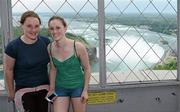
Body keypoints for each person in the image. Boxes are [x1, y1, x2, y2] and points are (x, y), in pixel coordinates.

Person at [4, 11, 50, 112]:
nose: (33, 30)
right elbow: (8, 70)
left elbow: (55, 66)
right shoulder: (13, 47)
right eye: (29, 26)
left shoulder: (46, 42)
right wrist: (11, 92)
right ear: (22, 25)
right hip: (24, 90)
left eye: (36, 26)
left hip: (45, 88)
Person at [47, 16, 91, 112]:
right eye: (52, 28)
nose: (54, 32)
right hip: (60, 87)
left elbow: (87, 69)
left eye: (58, 28)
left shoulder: (78, 47)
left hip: (77, 87)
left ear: (65, 28)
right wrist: (51, 89)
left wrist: (85, 91)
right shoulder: (50, 48)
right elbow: (53, 69)